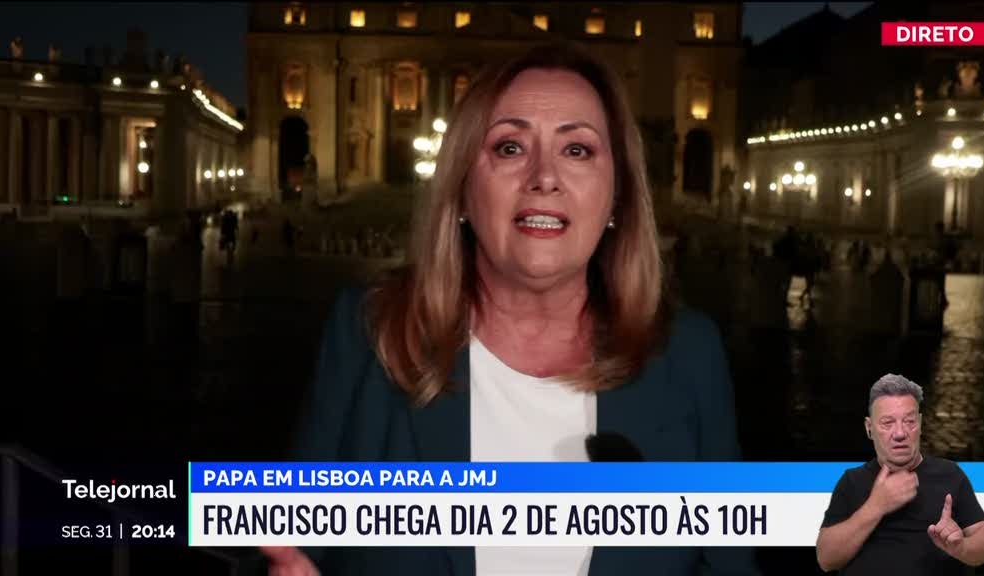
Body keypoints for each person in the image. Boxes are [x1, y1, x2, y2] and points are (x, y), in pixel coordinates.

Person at [263, 42, 757, 575]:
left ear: (617, 196)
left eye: (577, 150)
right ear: (461, 188)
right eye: (510, 147)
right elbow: (291, 541)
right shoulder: (370, 332)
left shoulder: (689, 353)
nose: (544, 177)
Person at [816, 374, 984, 574]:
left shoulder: (950, 474)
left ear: (920, 424)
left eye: (909, 421)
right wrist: (876, 506)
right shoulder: (851, 481)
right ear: (869, 428)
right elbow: (826, 560)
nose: (900, 433)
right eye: (887, 423)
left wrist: (961, 547)